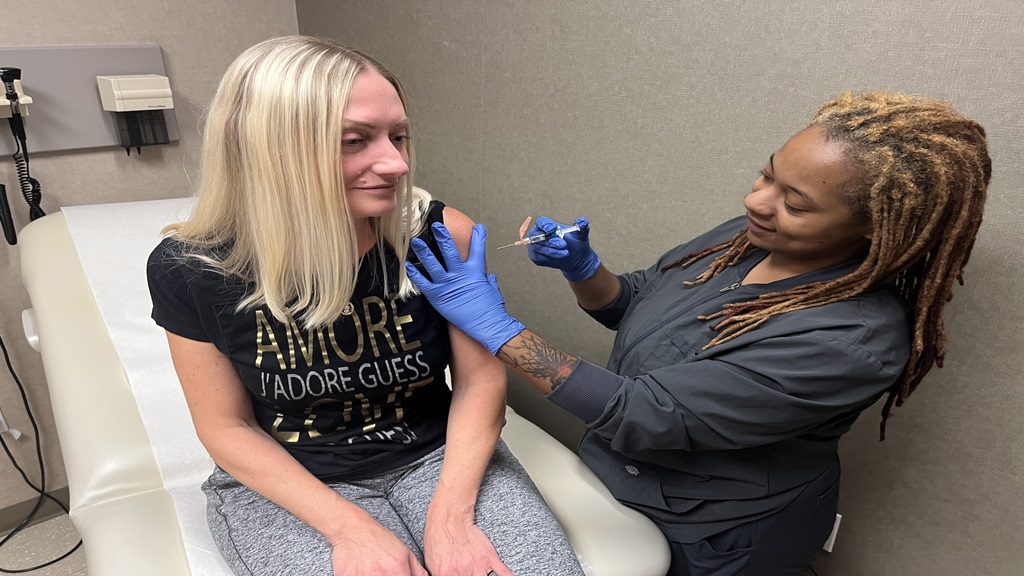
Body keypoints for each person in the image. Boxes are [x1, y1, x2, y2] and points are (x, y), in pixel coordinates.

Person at [406, 91, 991, 575]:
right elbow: (636, 305)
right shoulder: (750, 237)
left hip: (719, 532)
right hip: (621, 480)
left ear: (872, 228)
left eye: (795, 202)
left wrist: (491, 325)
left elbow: (647, 413)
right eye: (767, 174)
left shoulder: (848, 340)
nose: (756, 201)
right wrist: (585, 270)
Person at [146, 36, 585, 576]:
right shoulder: (190, 268)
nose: (397, 163)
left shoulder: (440, 236)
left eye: (398, 136)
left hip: (436, 458)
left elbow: (480, 381)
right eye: (355, 140)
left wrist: (451, 519)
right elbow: (225, 427)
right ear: (267, 148)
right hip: (292, 480)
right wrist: (349, 528)